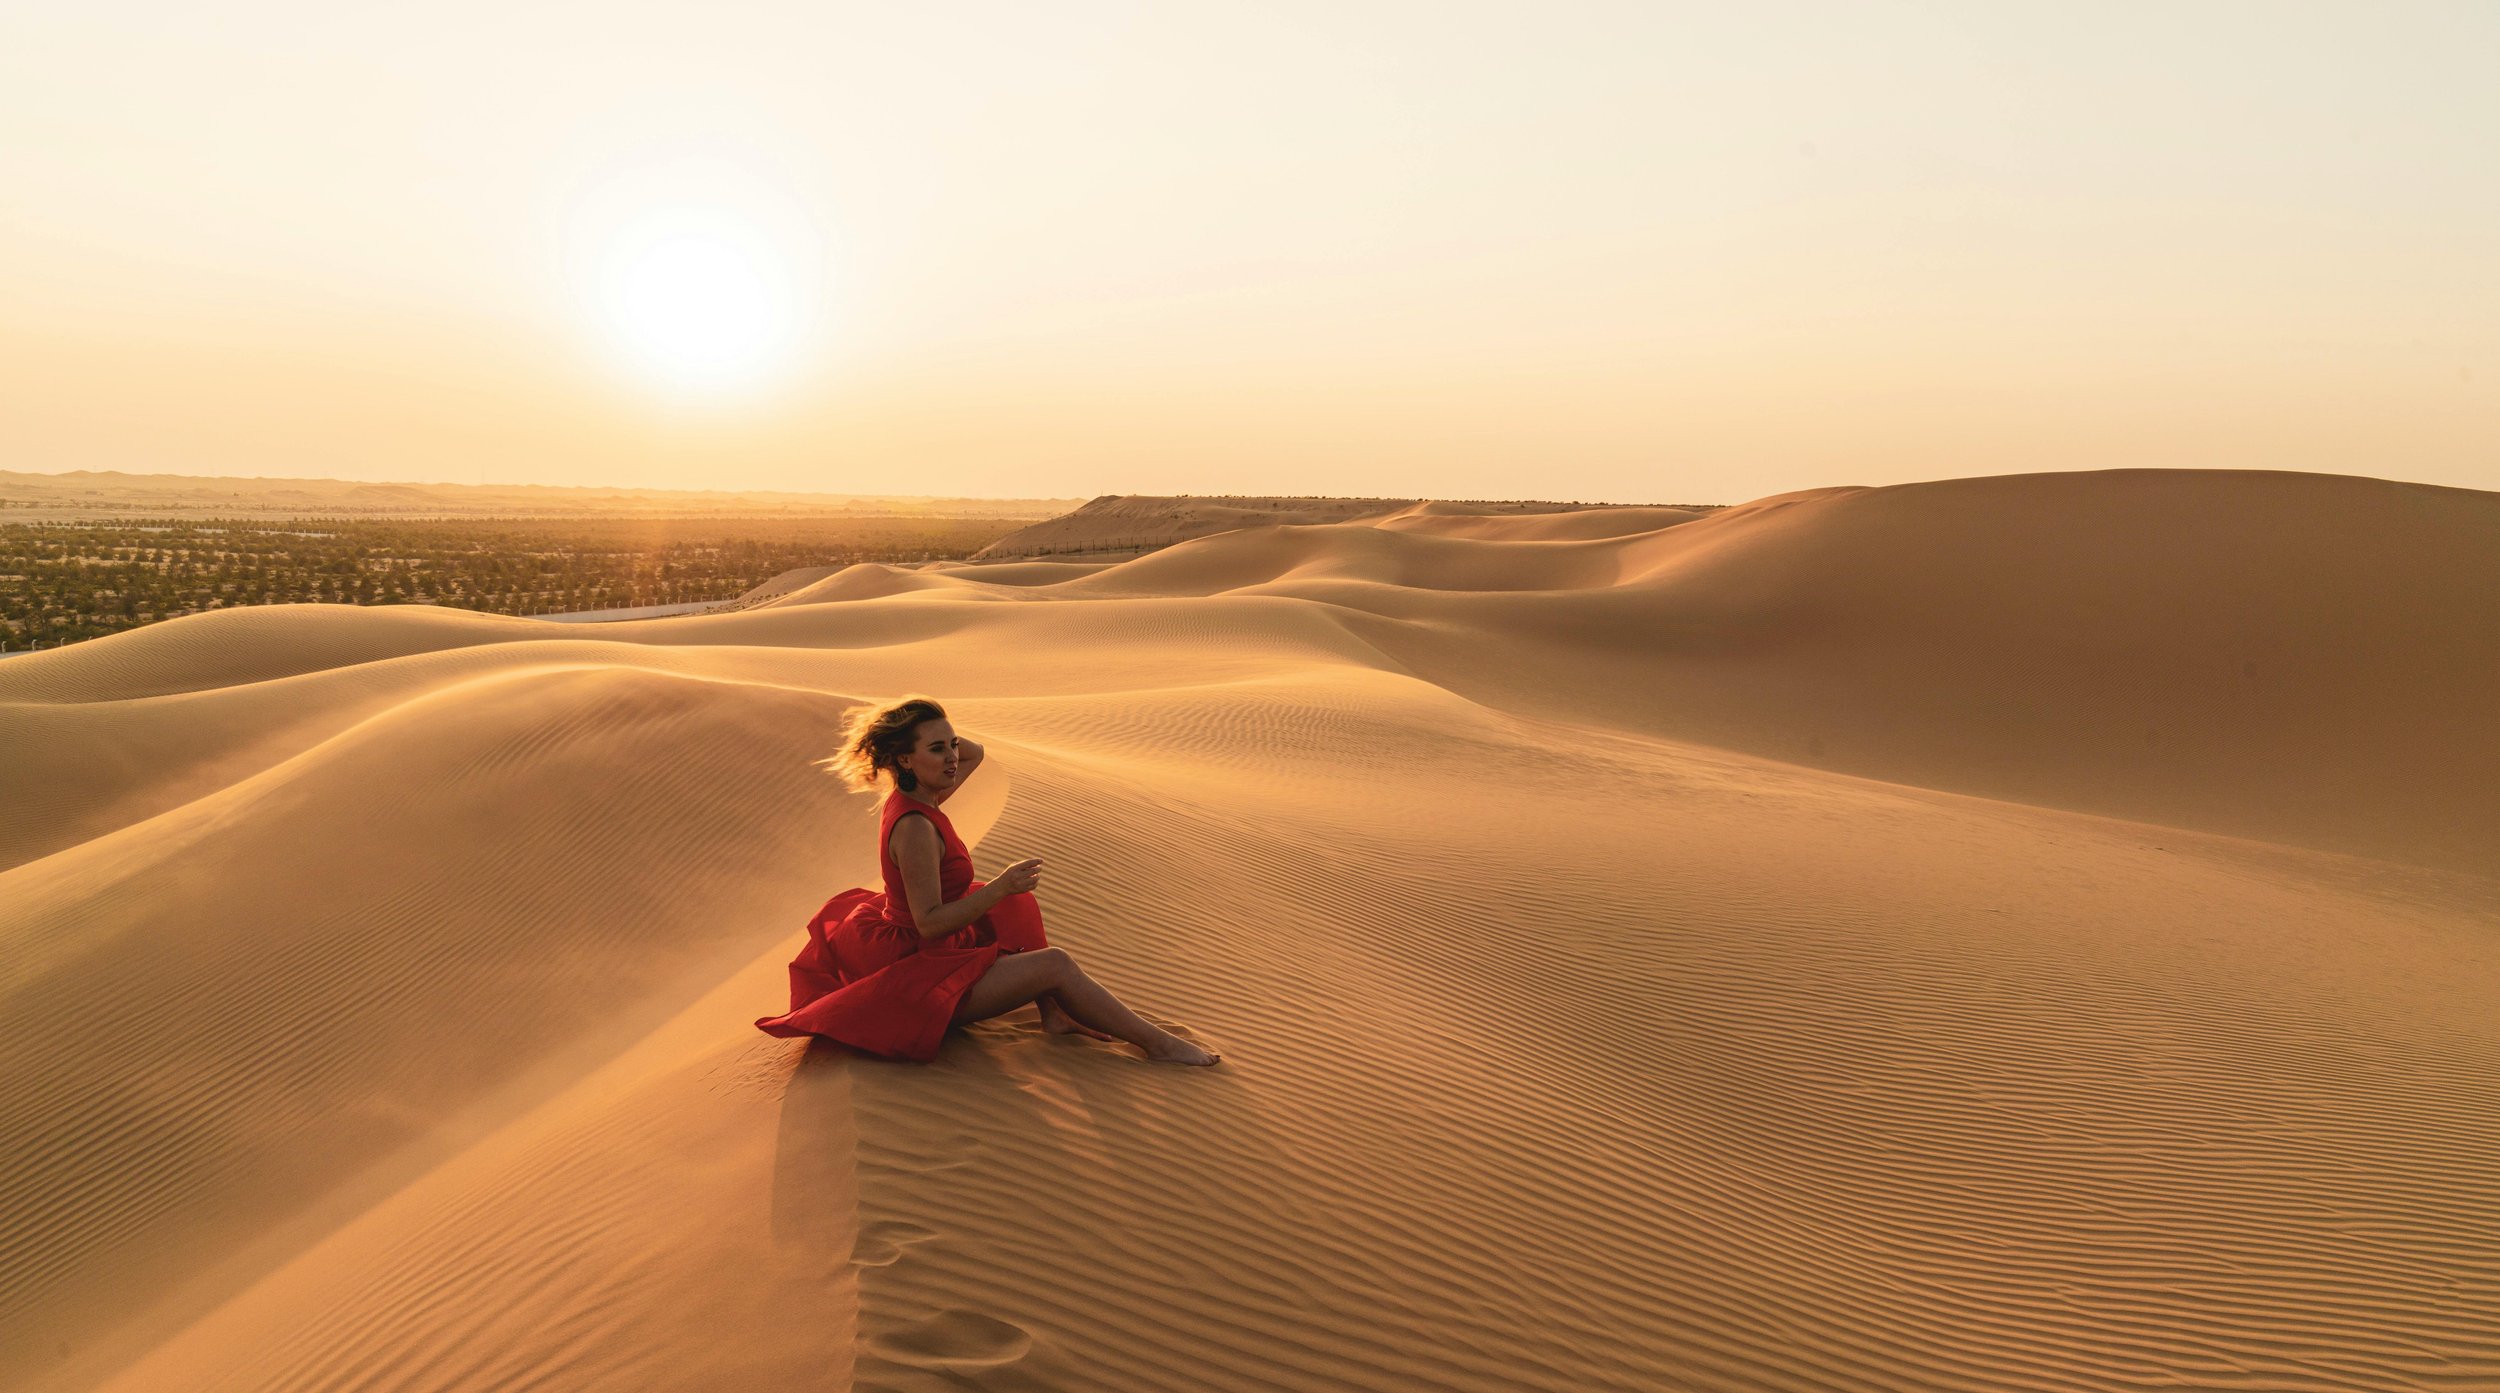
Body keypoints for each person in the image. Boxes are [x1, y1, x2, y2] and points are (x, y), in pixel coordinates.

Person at [754, 695, 1221, 1066]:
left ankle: (1055, 1015)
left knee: (1008, 904)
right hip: (920, 967)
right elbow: (930, 923)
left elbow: (976, 753)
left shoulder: (923, 793)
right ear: (905, 759)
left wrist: (934, 726)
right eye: (938, 749)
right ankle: (1157, 1045)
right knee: (1053, 960)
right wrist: (1001, 886)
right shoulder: (915, 827)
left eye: (951, 744)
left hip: (928, 940)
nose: (954, 756)